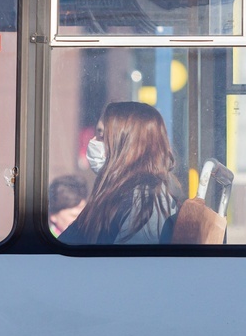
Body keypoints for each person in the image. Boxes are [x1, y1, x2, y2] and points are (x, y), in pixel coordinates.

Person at [60, 101, 183, 244]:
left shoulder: (145, 201)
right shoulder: (115, 192)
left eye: (102, 136)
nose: (93, 141)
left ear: (127, 145)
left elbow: (129, 263)